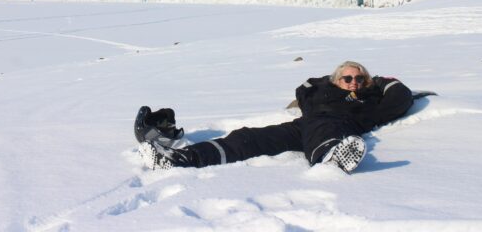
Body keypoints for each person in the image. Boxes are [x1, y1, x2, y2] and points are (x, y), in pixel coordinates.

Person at [138, 61, 413, 173]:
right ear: (336, 79)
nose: (354, 82)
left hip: (340, 126)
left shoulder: (370, 100)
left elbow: (401, 97)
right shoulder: (319, 91)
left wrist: (380, 81)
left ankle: (330, 158)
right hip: (301, 125)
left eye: (360, 78)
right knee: (249, 138)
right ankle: (180, 159)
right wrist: (327, 82)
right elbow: (304, 87)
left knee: (324, 131)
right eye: (348, 77)